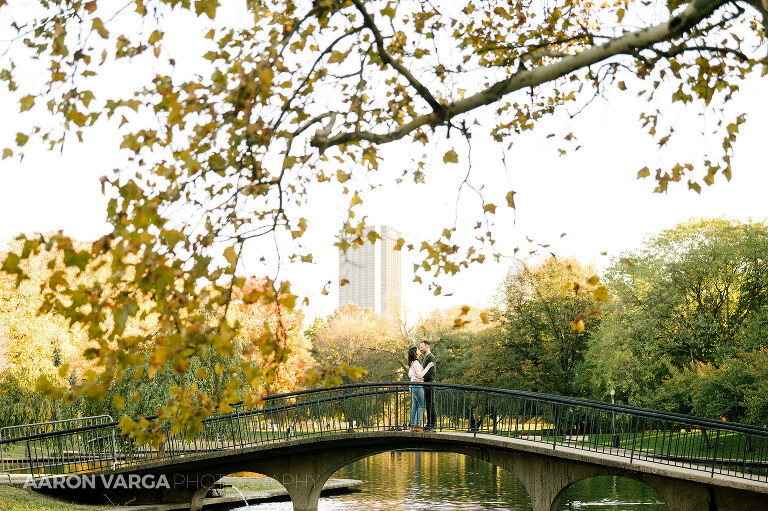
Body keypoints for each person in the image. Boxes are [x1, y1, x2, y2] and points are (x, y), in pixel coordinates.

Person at [407, 346, 434, 432]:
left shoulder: (412, 362)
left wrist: (414, 377)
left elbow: (409, 374)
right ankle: (417, 425)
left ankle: (412, 426)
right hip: (417, 386)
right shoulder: (415, 362)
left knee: (415, 406)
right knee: (422, 405)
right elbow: (419, 375)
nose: (419, 350)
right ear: (415, 353)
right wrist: (428, 367)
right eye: (418, 350)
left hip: (413, 385)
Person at [419, 340, 437, 431]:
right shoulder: (425, 357)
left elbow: (432, 372)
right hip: (426, 384)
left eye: (422, 347)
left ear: (427, 347)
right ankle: (429, 423)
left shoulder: (431, 357)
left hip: (430, 384)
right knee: (428, 404)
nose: (420, 349)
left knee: (431, 404)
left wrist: (422, 378)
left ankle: (432, 424)